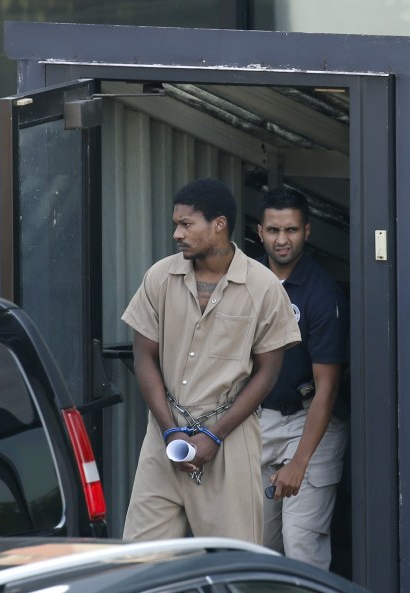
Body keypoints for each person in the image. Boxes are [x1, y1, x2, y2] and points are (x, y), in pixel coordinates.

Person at [121, 178, 301, 544]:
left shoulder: (263, 286)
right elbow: (144, 356)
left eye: (186, 224)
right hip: (163, 441)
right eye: (176, 224)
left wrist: (213, 436)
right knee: (138, 566)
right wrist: (169, 429)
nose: (177, 233)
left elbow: (268, 371)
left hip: (229, 441)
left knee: (232, 565)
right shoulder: (160, 277)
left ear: (218, 224)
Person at [257, 186, 349, 570]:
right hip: (258, 420)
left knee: (301, 550)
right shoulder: (245, 283)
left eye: (291, 230)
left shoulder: (322, 293)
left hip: (310, 422)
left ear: (307, 232)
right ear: (259, 231)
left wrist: (299, 462)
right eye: (274, 230)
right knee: (255, 548)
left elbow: (327, 387)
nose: (282, 239)